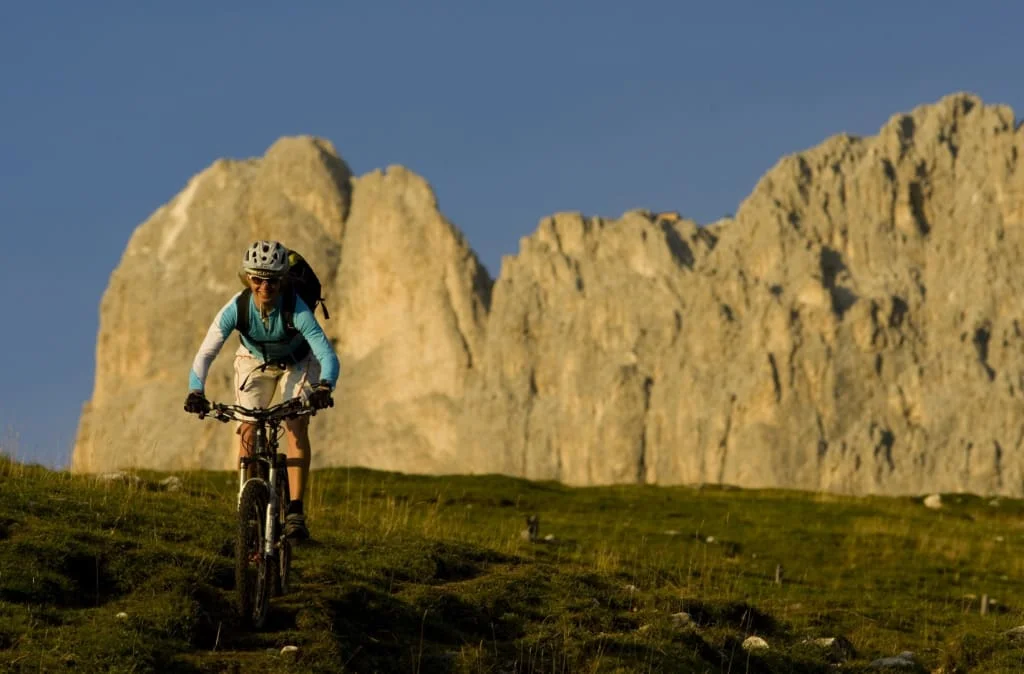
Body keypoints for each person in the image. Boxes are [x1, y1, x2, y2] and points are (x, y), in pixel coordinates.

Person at [183, 240, 340, 541]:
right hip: (253, 360)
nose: (264, 286)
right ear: (248, 279)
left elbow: (327, 355)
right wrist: (195, 391)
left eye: (271, 281)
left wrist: (325, 386)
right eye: (257, 279)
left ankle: (295, 511)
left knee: (295, 423)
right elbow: (205, 353)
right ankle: (248, 505)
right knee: (247, 428)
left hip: (298, 361)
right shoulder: (237, 307)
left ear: (282, 281)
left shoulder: (298, 309)